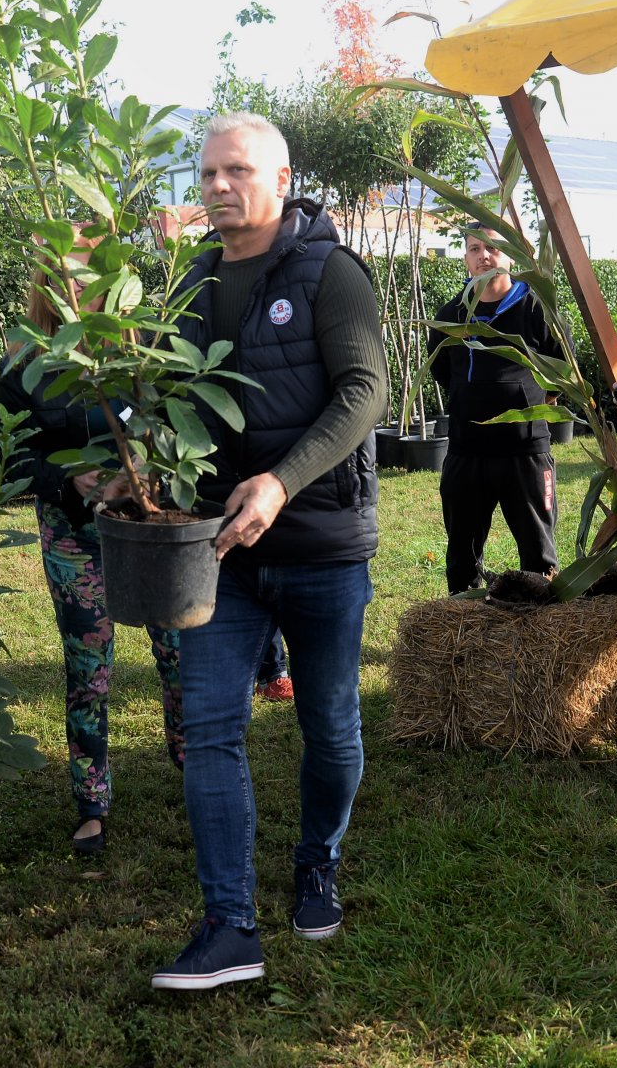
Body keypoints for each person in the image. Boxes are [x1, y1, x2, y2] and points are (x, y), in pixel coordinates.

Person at [148, 112, 386, 990]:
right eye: (206, 174)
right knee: (210, 728)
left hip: (322, 545)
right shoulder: (188, 281)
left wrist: (282, 482)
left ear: (281, 179)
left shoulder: (330, 271)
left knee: (330, 725)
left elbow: (366, 390)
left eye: (235, 172)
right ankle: (229, 925)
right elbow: (164, 398)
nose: (215, 188)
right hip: (218, 551)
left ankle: (317, 859)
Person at [0, 278, 186, 857]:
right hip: (75, 531)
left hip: (152, 528)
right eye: (61, 276)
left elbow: (185, 421)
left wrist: (159, 471)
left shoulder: (147, 350)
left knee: (180, 649)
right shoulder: (24, 364)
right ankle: (92, 801)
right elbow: (10, 457)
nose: (76, 288)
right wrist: (67, 479)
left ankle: (193, 764)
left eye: (86, 273)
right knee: (88, 665)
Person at [428, 229, 565, 594]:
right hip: (465, 453)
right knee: (461, 557)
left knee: (538, 557)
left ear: (510, 257)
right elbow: (445, 373)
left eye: (492, 247)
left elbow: (562, 374)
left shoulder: (537, 309)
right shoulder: (451, 314)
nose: (484, 255)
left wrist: (527, 402)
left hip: (525, 454)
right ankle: (462, 630)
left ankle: (541, 635)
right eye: (475, 249)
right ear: (465, 260)